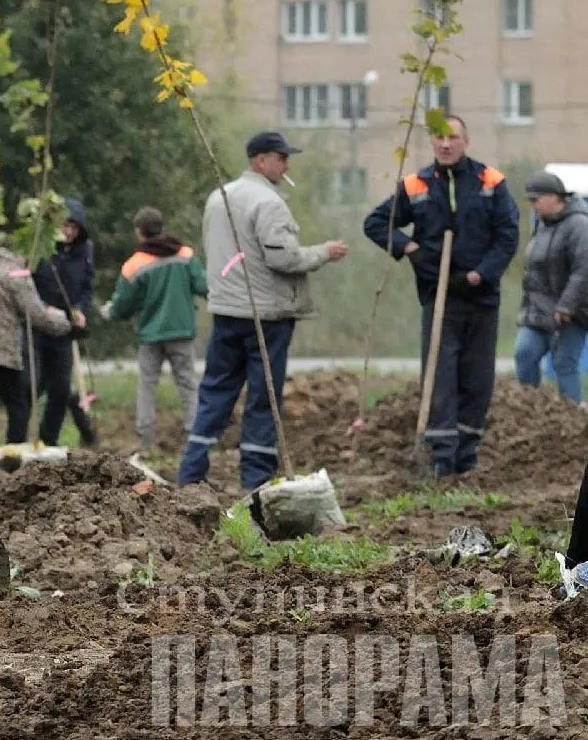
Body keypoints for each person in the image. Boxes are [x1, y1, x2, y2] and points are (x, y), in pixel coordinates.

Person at [181, 132, 347, 491]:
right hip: (263, 315)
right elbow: (283, 257)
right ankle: (255, 480)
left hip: (225, 309)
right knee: (263, 396)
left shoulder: (218, 197)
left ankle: (191, 472)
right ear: (261, 161)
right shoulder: (267, 203)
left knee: (216, 391)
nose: (287, 165)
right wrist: (323, 252)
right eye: (281, 158)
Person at [363, 116, 519, 476]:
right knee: (439, 375)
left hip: (480, 294)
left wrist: (483, 272)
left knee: (477, 377)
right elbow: (376, 223)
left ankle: (466, 456)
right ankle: (440, 457)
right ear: (432, 143)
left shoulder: (490, 182)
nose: (445, 144)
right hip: (439, 293)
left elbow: (508, 234)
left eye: (453, 137)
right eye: (439, 138)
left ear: (466, 141)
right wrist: (408, 246)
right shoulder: (416, 184)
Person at [99, 206, 207, 447]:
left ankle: (145, 439)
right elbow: (204, 286)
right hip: (181, 332)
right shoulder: (185, 256)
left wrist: (109, 312)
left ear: (139, 232)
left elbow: (123, 304)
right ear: (162, 228)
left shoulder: (134, 265)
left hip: (151, 335)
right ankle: (195, 436)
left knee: (147, 385)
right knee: (188, 384)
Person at [0, 243, 71, 450]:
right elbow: (36, 314)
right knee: (17, 402)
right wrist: (65, 325)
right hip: (0, 348)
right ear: (19, 254)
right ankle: (14, 449)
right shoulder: (17, 272)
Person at [513, 172, 588, 403]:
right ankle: (530, 410)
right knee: (524, 353)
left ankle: (572, 420)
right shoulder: (542, 226)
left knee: (564, 362)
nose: (532, 205)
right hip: (538, 310)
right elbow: (532, 272)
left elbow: (583, 269)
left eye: (535, 199)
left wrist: (566, 306)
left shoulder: (580, 225)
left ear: (554, 197)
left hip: (572, 312)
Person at [32, 199, 98, 447]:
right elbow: (29, 282)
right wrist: (41, 307)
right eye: (65, 226)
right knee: (33, 386)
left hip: (64, 330)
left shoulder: (85, 251)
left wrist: (80, 309)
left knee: (60, 390)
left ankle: (48, 440)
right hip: (38, 325)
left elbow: (87, 287)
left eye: (74, 227)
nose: (69, 232)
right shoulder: (43, 247)